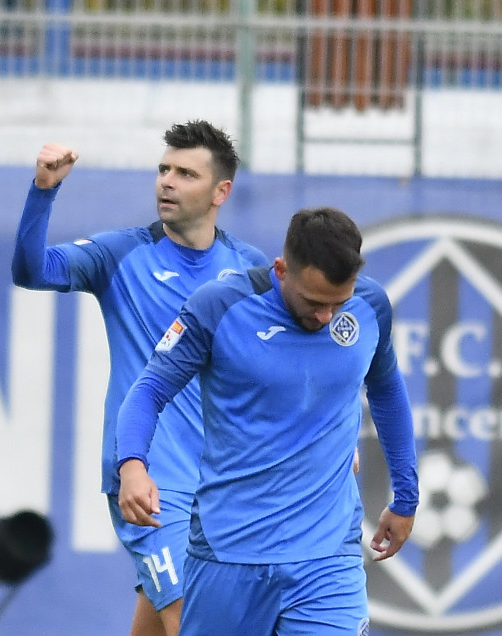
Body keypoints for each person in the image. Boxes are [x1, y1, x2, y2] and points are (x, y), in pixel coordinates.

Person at [12, 121, 269, 636]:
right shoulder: (120, 254)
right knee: (194, 619)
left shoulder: (250, 269)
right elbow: (31, 269)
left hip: (223, 487)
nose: (167, 182)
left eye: (185, 173)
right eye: (163, 169)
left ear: (222, 192)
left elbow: (282, 365)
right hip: (151, 483)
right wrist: (43, 191)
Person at [116, 207, 419, 635]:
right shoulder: (218, 306)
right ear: (281, 269)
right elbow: (149, 390)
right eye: (314, 303)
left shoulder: (371, 308)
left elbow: (387, 389)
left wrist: (406, 495)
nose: (326, 317)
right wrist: (132, 465)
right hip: (229, 553)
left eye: (338, 303)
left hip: (327, 558)